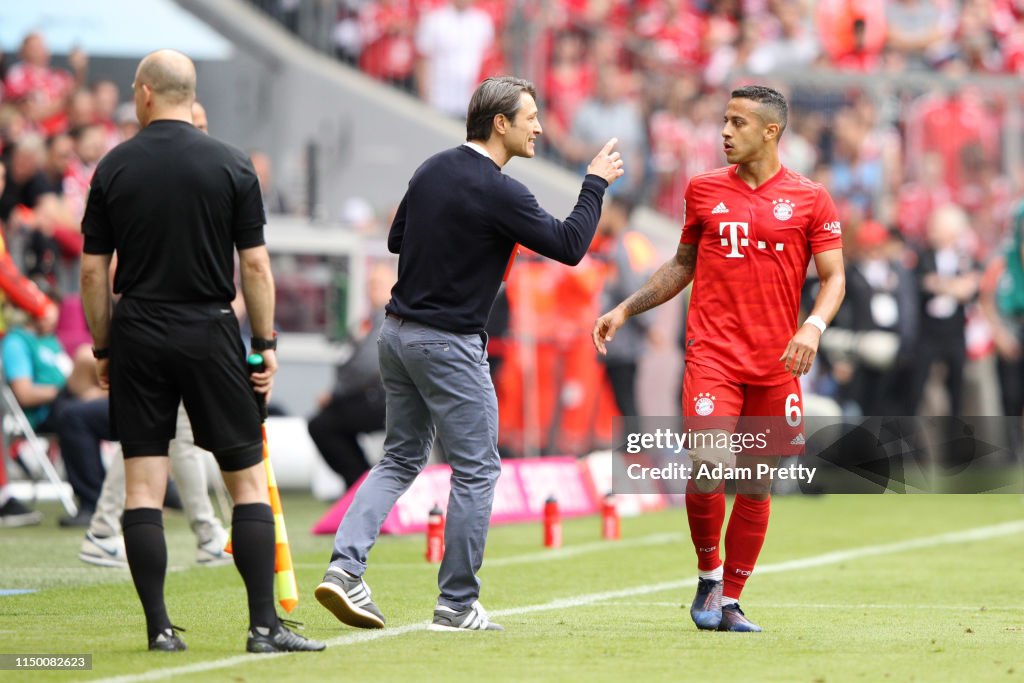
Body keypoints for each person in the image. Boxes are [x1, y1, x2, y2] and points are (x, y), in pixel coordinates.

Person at [315, 75, 624, 632]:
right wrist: (594, 184)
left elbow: (396, 239)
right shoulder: (501, 190)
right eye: (530, 116)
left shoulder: (432, 168)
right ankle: (457, 604)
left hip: (396, 335)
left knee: (399, 459)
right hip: (449, 343)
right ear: (499, 122)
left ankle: (344, 567)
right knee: (478, 470)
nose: (539, 126)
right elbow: (571, 246)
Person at [79, 49, 323, 654]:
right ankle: (263, 627)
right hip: (210, 327)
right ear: (190, 96)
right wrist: (262, 346)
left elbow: (91, 273)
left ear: (143, 94)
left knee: (142, 487)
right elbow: (257, 267)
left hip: (137, 326)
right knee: (243, 483)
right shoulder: (233, 165)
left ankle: (159, 628)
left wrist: (105, 348)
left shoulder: (113, 167)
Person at [594, 85, 845, 632]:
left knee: (756, 482)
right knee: (710, 463)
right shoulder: (703, 190)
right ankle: (709, 575)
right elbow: (683, 264)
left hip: (779, 363)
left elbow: (834, 278)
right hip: (713, 358)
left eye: (738, 123)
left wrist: (813, 325)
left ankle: (730, 599)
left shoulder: (810, 198)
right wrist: (626, 309)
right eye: (723, 121)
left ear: (771, 131)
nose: (724, 133)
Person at [308, 262, 395, 490]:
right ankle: (362, 483)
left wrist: (335, 394)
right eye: (370, 284)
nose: (372, 289)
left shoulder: (390, 317)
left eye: (378, 284)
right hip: (377, 398)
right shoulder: (371, 319)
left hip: (386, 400)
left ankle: (360, 485)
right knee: (326, 424)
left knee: (322, 425)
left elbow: (365, 366)